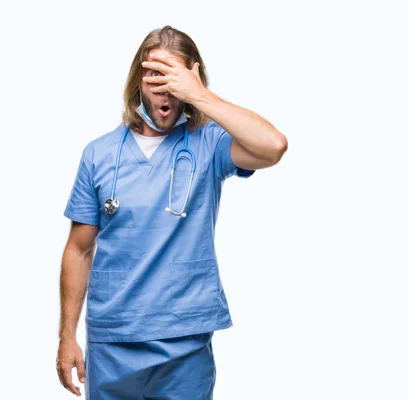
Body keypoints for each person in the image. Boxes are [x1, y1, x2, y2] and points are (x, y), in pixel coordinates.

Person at [56, 25, 288, 399]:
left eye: (173, 80)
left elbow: (273, 146)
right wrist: (67, 336)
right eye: (155, 79)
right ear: (137, 82)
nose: (165, 92)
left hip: (184, 341)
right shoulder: (98, 155)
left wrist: (201, 95)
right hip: (113, 341)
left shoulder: (209, 144)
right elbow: (78, 249)